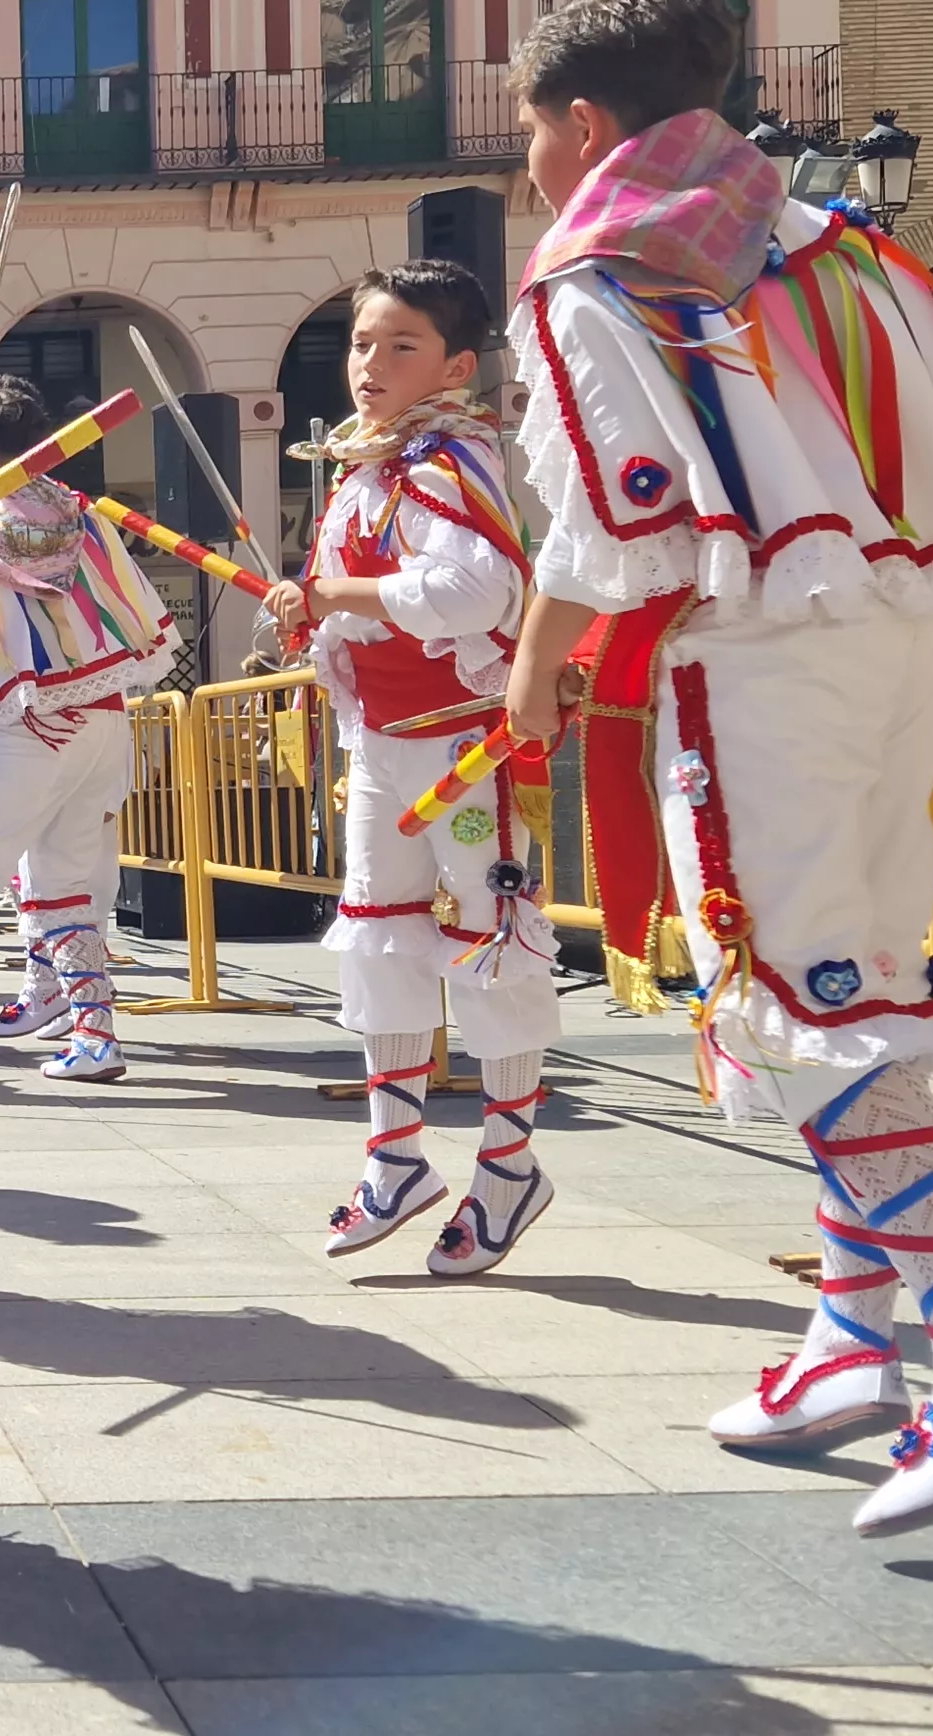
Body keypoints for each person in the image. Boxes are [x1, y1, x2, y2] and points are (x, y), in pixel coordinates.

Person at [492, 0, 933, 1532]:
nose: (531, 168)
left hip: (760, 657)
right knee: (862, 977)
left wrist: (533, 680)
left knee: (804, 994)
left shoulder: (596, 272)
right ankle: (851, 1337)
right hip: (903, 631)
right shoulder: (841, 237)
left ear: (581, 124)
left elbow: (606, 524)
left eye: (529, 134)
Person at [254, 263, 562, 1276]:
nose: (368, 366)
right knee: (379, 941)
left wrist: (335, 589)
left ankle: (509, 1165)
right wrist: (313, 607)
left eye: (399, 346)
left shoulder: (445, 460)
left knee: (489, 942)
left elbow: (478, 586)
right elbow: (369, 597)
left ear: (457, 366)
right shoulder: (368, 469)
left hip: (466, 750)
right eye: (359, 344)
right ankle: (394, 1159)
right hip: (384, 744)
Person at [0, 374, 176, 1087]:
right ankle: (96, 1037)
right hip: (104, 724)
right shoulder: (88, 519)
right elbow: (139, 623)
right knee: (62, 885)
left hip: (32, 727)